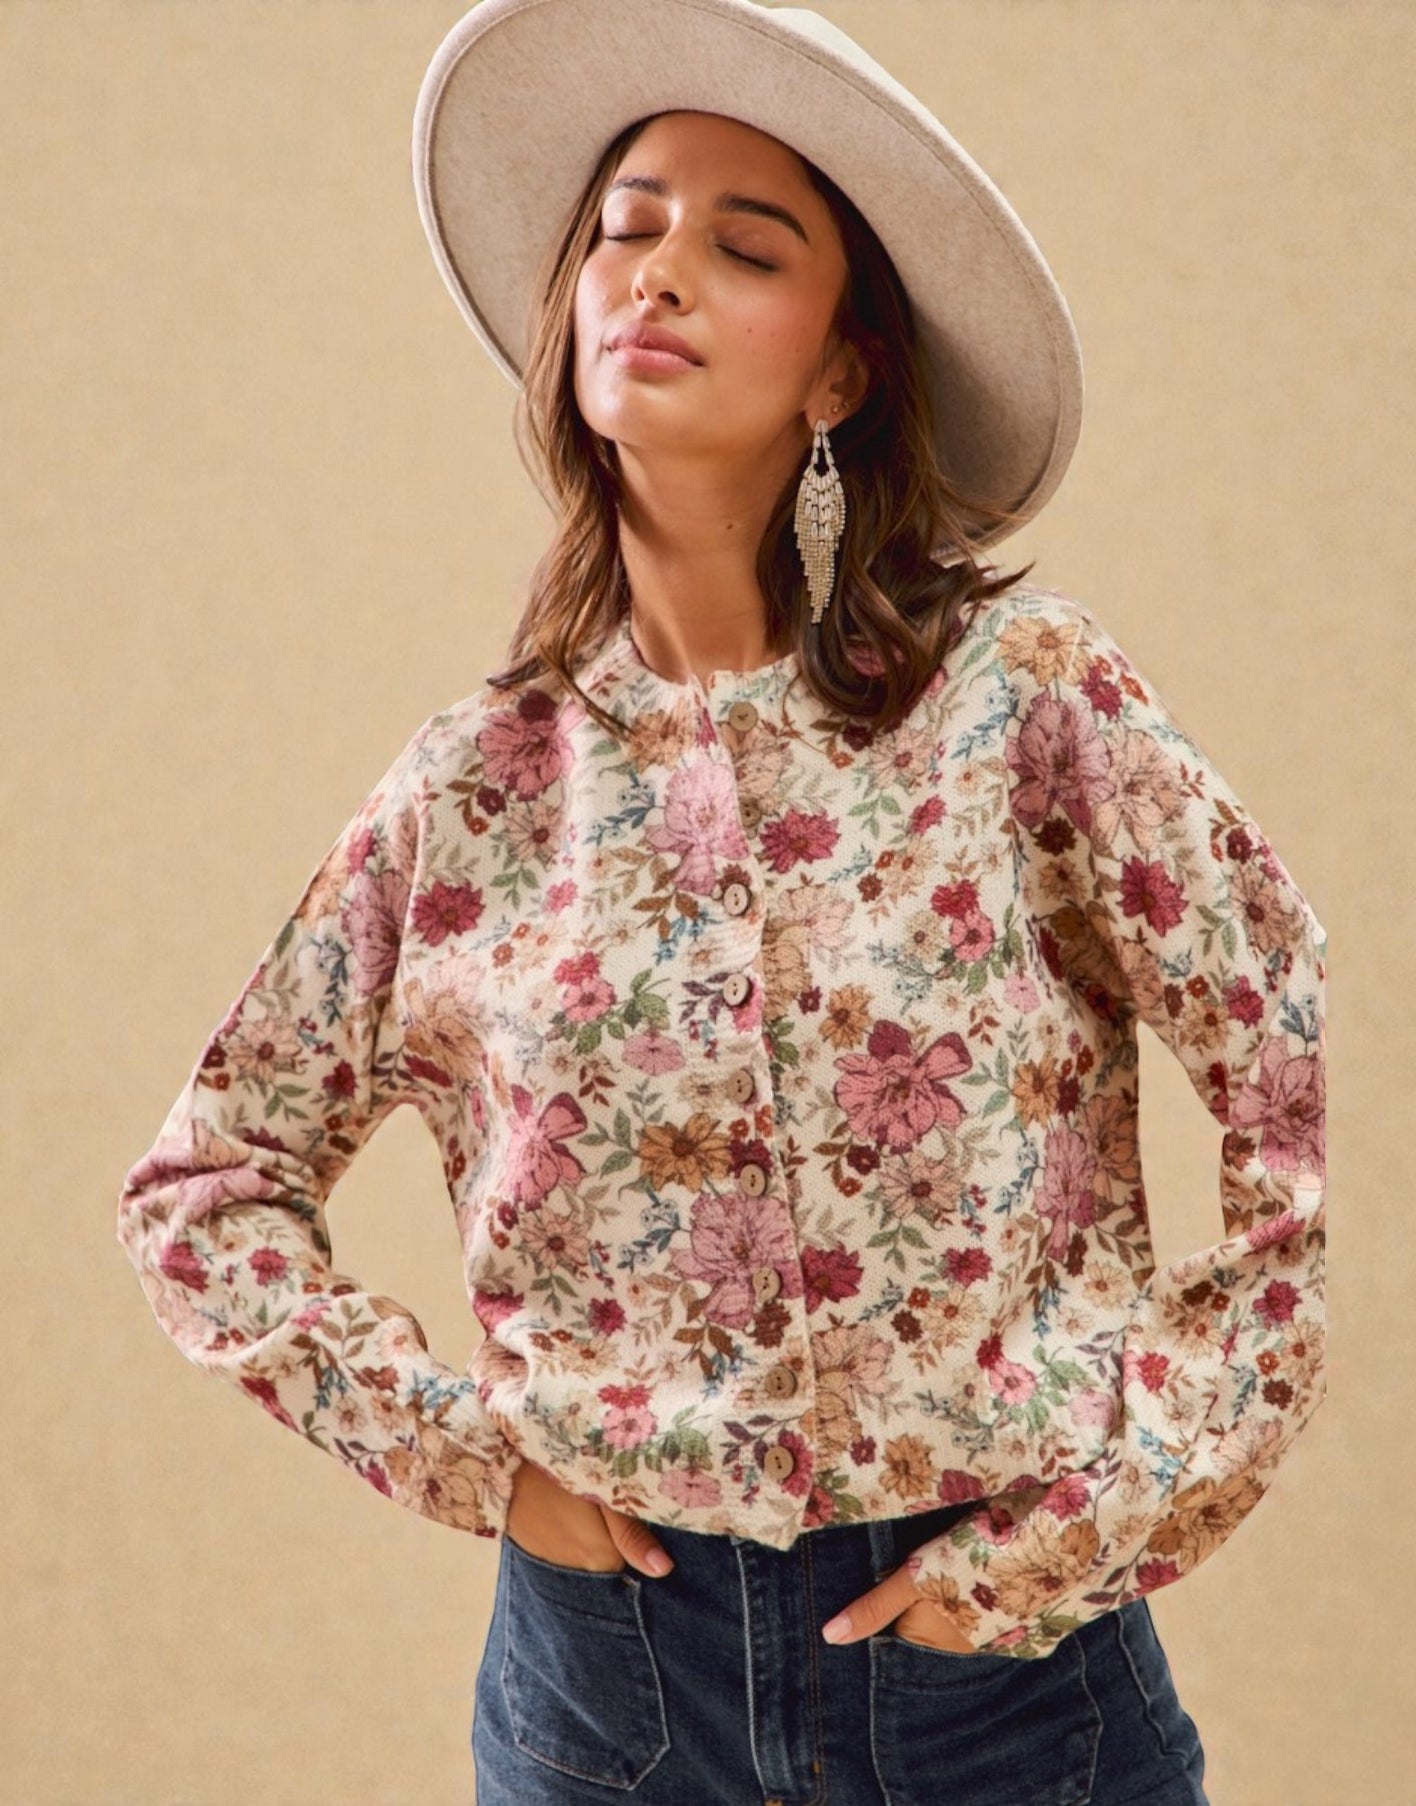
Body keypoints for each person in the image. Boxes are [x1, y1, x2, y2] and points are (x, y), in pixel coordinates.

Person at [117, 2, 1329, 1801]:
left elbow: (1273, 1031)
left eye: (743, 245)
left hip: (1000, 1676)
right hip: (606, 1699)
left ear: (840, 372)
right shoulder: (474, 789)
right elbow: (205, 1189)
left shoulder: (1024, 701)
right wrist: (480, 1465)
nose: (657, 270)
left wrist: (1105, 1512)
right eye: (624, 225)